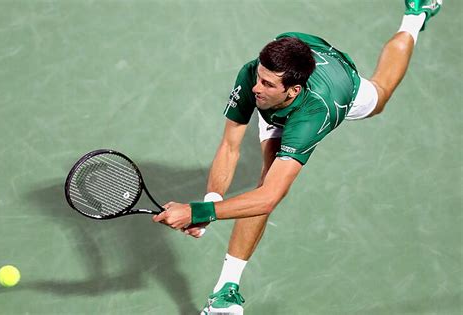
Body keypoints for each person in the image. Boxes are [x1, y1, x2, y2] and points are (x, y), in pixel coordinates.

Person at [152, 1, 442, 314]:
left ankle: (415, 14)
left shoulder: (315, 115)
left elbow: (268, 199)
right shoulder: (254, 75)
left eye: (267, 83)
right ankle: (225, 293)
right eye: (258, 77)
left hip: (340, 81)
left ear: (292, 91)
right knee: (263, 178)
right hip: (303, 50)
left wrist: (197, 211)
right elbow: (230, 145)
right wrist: (210, 201)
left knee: (381, 95)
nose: (255, 87)